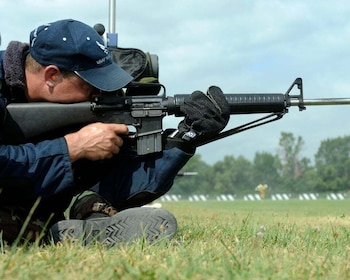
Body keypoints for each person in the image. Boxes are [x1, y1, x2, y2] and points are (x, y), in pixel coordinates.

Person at [0, 19, 230, 246]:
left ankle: (84, 217)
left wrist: (187, 136)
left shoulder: (61, 107)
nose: (99, 93)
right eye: (92, 86)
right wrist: (74, 146)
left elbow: (127, 173)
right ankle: (36, 230)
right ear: (52, 76)